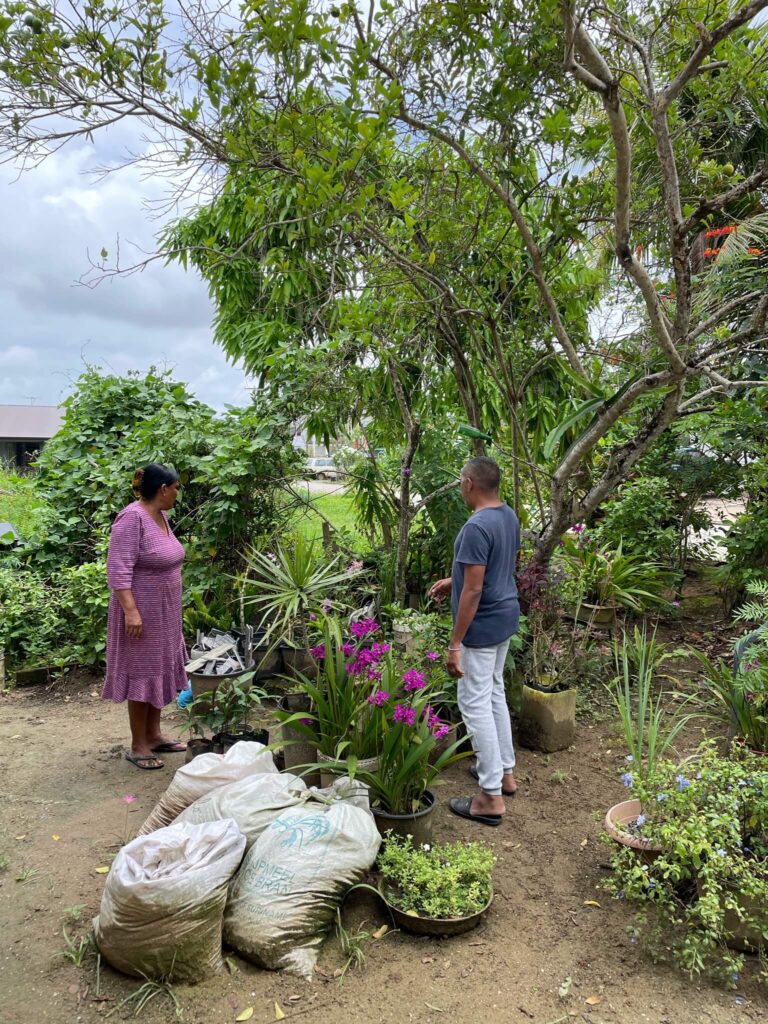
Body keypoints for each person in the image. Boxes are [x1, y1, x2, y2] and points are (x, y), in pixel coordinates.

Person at [428, 456, 520, 826]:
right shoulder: (507, 515)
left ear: (468, 483)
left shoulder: (475, 527)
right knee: (493, 692)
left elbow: (475, 590)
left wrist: (455, 643)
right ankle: (505, 774)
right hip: (505, 616)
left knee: (474, 703)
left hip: (481, 627)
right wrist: (456, 579)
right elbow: (491, 568)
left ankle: (489, 798)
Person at [102, 464, 188, 770]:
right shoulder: (131, 518)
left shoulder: (161, 516)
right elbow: (118, 569)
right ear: (163, 488)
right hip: (140, 614)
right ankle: (138, 745)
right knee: (142, 671)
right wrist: (131, 612)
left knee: (160, 669)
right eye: (176, 487)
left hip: (165, 614)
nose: (178, 492)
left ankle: (153, 735)